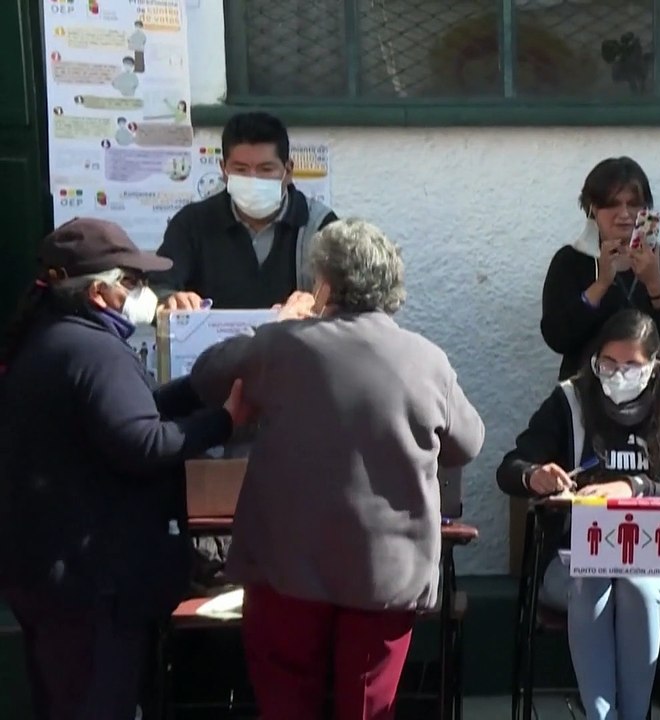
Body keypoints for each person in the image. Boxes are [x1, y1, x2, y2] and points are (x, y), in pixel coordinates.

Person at [188, 219, 486, 720]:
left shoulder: (281, 347)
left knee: (286, 701)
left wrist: (280, 322)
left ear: (324, 285)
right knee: (368, 708)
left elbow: (206, 377)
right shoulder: (427, 359)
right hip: (385, 573)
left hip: (286, 566)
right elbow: (468, 443)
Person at [0, 219, 249, 720]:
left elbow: (129, 409)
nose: (143, 294)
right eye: (132, 283)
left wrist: (196, 389)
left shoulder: (55, 337)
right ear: (99, 292)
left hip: (54, 577)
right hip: (92, 586)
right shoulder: (91, 350)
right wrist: (226, 421)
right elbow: (141, 441)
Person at [497, 309, 660, 720]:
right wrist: (534, 475)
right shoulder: (572, 399)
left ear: (654, 367)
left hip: (649, 560)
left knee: (637, 587)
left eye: (631, 365)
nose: (617, 375)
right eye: (608, 364)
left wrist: (637, 487)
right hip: (573, 558)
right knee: (592, 582)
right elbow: (511, 466)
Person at [152, 111, 337, 311]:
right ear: (224, 170)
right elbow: (158, 288)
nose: (253, 178)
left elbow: (347, 304)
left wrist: (317, 306)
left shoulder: (320, 226)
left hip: (290, 341)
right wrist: (171, 300)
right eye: (240, 169)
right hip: (213, 342)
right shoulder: (191, 223)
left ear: (288, 171)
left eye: (266, 169)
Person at [540, 157, 660, 381]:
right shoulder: (570, 261)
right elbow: (557, 338)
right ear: (593, 209)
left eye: (633, 204)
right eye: (612, 204)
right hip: (588, 391)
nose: (624, 214)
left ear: (646, 209)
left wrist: (654, 282)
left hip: (654, 393)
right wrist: (600, 285)